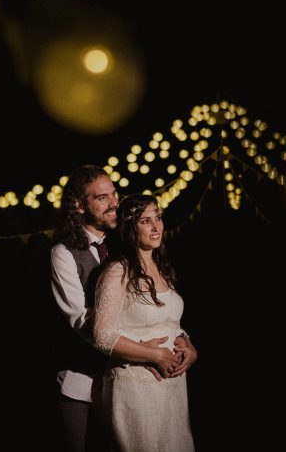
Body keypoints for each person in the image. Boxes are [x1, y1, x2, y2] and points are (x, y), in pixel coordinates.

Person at [93, 194, 199, 452]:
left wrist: (188, 345)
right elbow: (102, 335)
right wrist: (154, 354)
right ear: (131, 228)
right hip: (136, 385)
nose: (156, 226)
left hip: (172, 387)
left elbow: (170, 321)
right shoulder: (118, 270)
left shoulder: (163, 268)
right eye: (145, 221)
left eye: (158, 218)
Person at [49, 165, 120, 451]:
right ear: (79, 206)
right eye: (102, 197)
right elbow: (80, 320)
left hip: (119, 381)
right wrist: (141, 345)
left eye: (114, 194)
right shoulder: (63, 253)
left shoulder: (121, 246)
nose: (114, 202)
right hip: (79, 383)